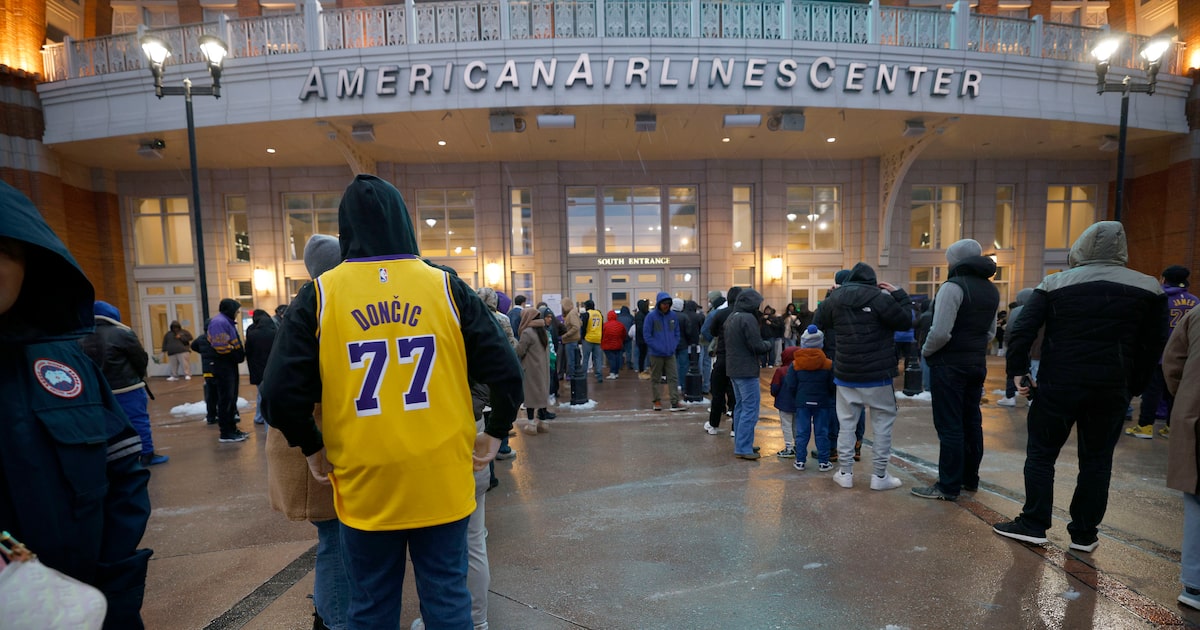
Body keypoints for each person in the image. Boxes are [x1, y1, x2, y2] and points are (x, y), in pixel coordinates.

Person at [260, 174, 523, 629]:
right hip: (440, 474)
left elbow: (279, 395)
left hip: (366, 478)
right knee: (446, 598)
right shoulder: (446, 286)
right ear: (404, 220)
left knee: (371, 606)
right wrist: (496, 431)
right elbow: (506, 371)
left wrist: (312, 445)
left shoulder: (320, 295)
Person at [0, 180, 152, 629]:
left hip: (92, 603)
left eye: (5, 251)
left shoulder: (63, 363)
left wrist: (114, 579)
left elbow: (124, 471)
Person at [994, 221, 1168, 551]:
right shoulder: (1149, 289)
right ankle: (1085, 533)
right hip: (1112, 387)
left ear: (1081, 248)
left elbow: (1023, 331)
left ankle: (1033, 522)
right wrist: (1135, 385)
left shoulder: (1055, 283)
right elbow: (1154, 343)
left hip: (1060, 383)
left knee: (1042, 455)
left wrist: (1019, 372)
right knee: (1097, 460)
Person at [265, 233, 349, 630]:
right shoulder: (316, 310)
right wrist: (314, 448)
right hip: (315, 450)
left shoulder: (310, 306)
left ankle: (329, 611)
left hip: (313, 445)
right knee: (336, 541)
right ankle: (334, 619)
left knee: (336, 540)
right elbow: (278, 395)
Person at [911, 239, 999, 502]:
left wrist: (926, 351)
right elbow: (991, 333)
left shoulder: (952, 287)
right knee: (971, 422)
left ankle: (948, 485)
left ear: (954, 260)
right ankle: (970, 479)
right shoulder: (991, 290)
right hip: (975, 363)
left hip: (949, 365)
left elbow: (940, 331)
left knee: (949, 425)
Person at [818, 262, 914, 490]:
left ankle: (845, 473)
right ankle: (879, 476)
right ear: (873, 281)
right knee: (882, 425)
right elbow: (905, 321)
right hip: (878, 375)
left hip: (845, 374)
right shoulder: (881, 298)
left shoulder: (837, 299)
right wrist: (899, 295)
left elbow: (819, 322)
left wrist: (830, 295)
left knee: (846, 425)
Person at [83, 301, 169, 466]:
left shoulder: (82, 336)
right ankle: (146, 454)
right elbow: (140, 358)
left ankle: (112, 457)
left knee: (106, 423)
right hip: (128, 387)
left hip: (99, 390)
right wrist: (137, 376)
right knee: (138, 420)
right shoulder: (122, 333)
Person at [1127, 265, 1198, 439]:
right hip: (1184, 356)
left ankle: (1145, 426)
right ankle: (1170, 427)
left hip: (1159, 354)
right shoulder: (1195, 302)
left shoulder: (1159, 299)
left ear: (1164, 279)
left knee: (1152, 393)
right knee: (1174, 393)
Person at [1163, 307, 1200, 609]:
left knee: (1197, 501)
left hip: (1195, 415)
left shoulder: (1196, 314)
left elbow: (1173, 362)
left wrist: (1186, 397)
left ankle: (1194, 585)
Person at [781, 325, 836, 472]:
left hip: (802, 402)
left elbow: (790, 384)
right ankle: (824, 462)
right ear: (821, 344)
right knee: (822, 431)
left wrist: (798, 396)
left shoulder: (796, 363)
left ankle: (800, 461)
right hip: (823, 402)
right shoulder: (828, 363)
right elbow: (833, 384)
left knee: (802, 432)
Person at [725, 288, 772, 459]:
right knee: (750, 408)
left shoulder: (732, 317)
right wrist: (768, 345)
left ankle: (742, 443)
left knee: (740, 407)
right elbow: (756, 345)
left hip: (734, 368)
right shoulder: (747, 318)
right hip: (746, 369)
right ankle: (744, 447)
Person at [208, 298, 248, 443]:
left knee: (231, 398)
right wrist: (235, 353)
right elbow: (221, 347)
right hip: (223, 365)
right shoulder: (220, 322)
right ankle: (226, 432)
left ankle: (232, 429)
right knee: (226, 399)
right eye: (236, 311)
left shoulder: (226, 322)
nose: (237, 313)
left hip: (228, 364)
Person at [702, 286, 742, 436]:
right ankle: (735, 428)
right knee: (736, 394)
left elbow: (711, 331)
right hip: (738, 359)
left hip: (722, 356)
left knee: (717, 392)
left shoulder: (719, 314)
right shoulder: (746, 315)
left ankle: (714, 424)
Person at [997, 288, 1036, 407]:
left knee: (1013, 372)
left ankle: (1010, 396)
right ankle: (1031, 398)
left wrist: (1007, 345)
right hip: (1034, 349)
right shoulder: (1037, 309)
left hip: (1017, 347)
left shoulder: (1016, 311)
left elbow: (1009, 331)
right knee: (1030, 373)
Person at [517, 306, 553, 435]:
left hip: (531, 368)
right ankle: (543, 422)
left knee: (530, 397)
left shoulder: (527, 332)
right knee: (542, 394)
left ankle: (531, 424)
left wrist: (514, 343)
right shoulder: (543, 332)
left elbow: (520, 351)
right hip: (543, 368)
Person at [644, 291, 683, 411]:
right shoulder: (651, 317)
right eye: (664, 303)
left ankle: (674, 402)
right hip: (656, 354)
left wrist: (673, 345)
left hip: (670, 353)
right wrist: (657, 347)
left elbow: (676, 332)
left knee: (673, 377)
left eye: (668, 303)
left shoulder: (672, 316)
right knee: (656, 378)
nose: (666, 306)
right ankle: (657, 401)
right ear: (659, 303)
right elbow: (647, 335)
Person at [245, 308, 278, 426]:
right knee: (269, 394)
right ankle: (264, 417)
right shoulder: (275, 331)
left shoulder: (251, 332)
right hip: (272, 368)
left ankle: (259, 416)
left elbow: (248, 352)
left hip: (257, 368)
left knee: (261, 393)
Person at [769, 345, 799, 458]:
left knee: (786, 426)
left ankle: (789, 447)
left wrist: (775, 395)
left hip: (784, 404)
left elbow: (775, 388)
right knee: (797, 426)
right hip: (798, 404)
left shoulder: (780, 371)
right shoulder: (800, 369)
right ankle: (798, 446)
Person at [191, 319, 219, 425]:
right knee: (220, 393)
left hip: (207, 370)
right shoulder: (217, 338)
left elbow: (193, 346)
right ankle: (219, 414)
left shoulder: (201, 338)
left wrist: (203, 352)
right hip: (217, 369)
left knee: (210, 394)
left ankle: (211, 416)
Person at [581, 299, 605, 383]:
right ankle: (599, 376)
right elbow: (602, 327)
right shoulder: (599, 314)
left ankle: (583, 375)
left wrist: (582, 337)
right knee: (598, 358)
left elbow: (583, 327)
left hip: (588, 338)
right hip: (598, 338)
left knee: (586, 358)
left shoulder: (586, 314)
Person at [601, 309, 626, 379]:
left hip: (607, 345)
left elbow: (602, 334)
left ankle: (612, 373)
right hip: (618, 344)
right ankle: (616, 373)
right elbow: (624, 334)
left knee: (611, 359)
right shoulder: (620, 325)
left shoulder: (605, 325)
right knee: (617, 358)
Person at [560, 297, 581, 380]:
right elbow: (580, 323)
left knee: (570, 360)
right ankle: (572, 375)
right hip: (573, 340)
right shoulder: (574, 313)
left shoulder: (571, 314)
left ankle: (571, 376)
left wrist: (565, 335)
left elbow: (576, 326)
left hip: (570, 340)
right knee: (573, 360)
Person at [633, 298, 651, 377]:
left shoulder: (642, 314)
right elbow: (640, 328)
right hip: (643, 339)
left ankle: (644, 369)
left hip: (643, 339)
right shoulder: (642, 315)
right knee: (642, 355)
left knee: (643, 355)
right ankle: (642, 369)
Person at [617, 305, 635, 373]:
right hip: (628, 336)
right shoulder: (631, 317)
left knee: (620, 352)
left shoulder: (618, 317)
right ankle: (628, 364)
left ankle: (620, 365)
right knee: (628, 351)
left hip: (620, 337)